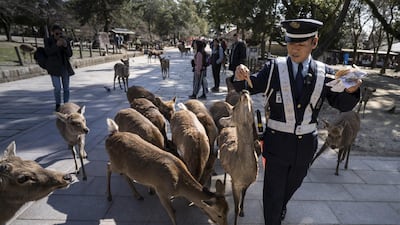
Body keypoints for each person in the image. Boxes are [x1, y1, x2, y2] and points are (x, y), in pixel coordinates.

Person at [231, 18, 361, 225]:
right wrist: (240, 75)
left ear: (314, 43)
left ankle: (281, 206)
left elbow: (342, 104)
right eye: (291, 43)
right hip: (276, 143)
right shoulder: (274, 67)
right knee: (272, 194)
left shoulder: (325, 72)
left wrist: (352, 90)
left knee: (293, 184)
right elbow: (249, 84)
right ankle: (273, 217)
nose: (294, 49)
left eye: (301, 44)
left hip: (306, 145)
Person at [44, 24, 74, 112]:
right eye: (57, 33)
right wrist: (56, 45)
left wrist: (65, 46)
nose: (59, 35)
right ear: (52, 33)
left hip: (64, 66)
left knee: (66, 88)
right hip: (54, 68)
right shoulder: (48, 41)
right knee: (57, 88)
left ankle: (66, 105)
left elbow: (70, 54)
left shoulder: (65, 40)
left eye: (60, 33)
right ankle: (58, 104)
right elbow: (48, 52)